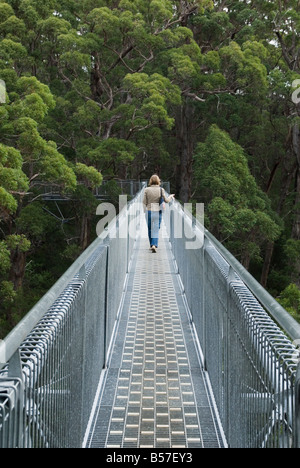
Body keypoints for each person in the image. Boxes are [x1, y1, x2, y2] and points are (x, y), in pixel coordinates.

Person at [143, 175, 175, 253]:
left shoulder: (146, 190)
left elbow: (144, 202)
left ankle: (152, 245)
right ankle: (154, 245)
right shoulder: (161, 190)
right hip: (157, 211)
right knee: (156, 229)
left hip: (149, 211)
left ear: (150, 181)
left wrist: (145, 211)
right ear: (158, 181)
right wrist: (170, 196)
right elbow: (166, 201)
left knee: (150, 229)